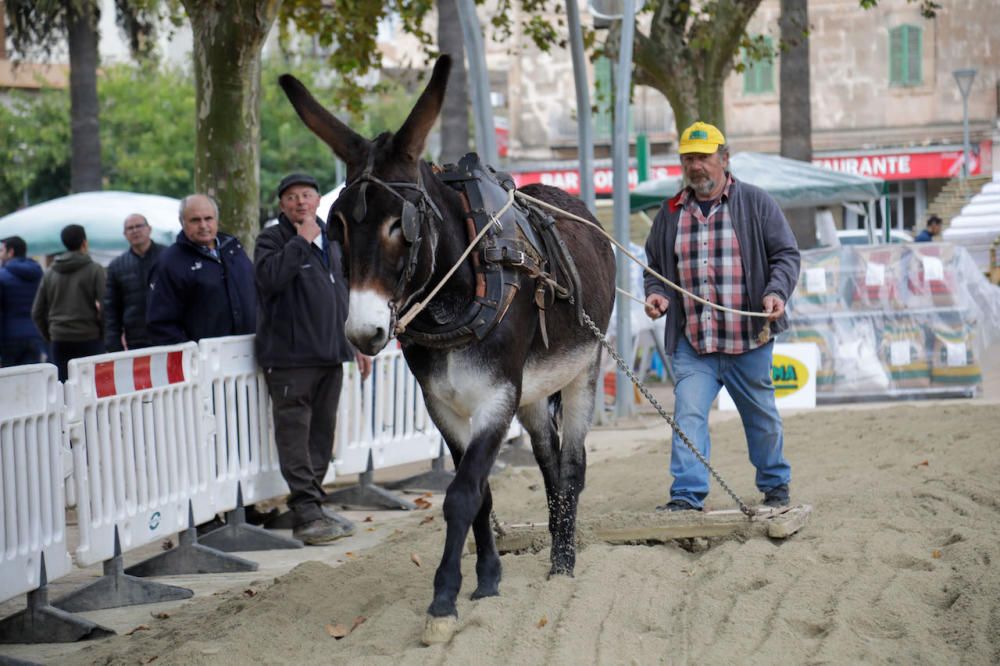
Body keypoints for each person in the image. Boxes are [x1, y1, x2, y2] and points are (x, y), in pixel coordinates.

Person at [643, 121, 801, 512]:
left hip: (748, 341)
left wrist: (776, 292)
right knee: (688, 417)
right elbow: (655, 269)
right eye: (689, 158)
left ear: (724, 159)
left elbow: (786, 255)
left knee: (762, 419)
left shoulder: (756, 203)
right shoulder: (669, 214)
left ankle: (775, 485)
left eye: (703, 157)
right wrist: (657, 295)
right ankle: (686, 496)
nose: (696, 166)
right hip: (694, 344)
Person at [255, 173, 373, 545]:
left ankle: (313, 506)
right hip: (290, 358)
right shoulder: (271, 239)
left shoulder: (334, 239)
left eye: (306, 195)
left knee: (322, 435)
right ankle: (306, 513)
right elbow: (269, 281)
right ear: (281, 205)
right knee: (296, 437)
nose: (300, 202)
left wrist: (355, 343)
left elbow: (341, 296)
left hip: (330, 354)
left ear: (318, 199)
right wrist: (299, 244)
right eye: (291, 197)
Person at [146, 194, 256, 344]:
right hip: (203, 360)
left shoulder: (234, 249)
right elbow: (160, 323)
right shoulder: (169, 262)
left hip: (248, 351)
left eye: (208, 218)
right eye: (195, 220)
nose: (203, 225)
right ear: (182, 222)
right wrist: (193, 355)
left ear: (216, 220)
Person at [31, 224, 107, 381]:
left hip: (59, 338)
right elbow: (106, 306)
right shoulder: (94, 269)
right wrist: (103, 333)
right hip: (89, 337)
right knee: (91, 386)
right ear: (84, 243)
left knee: (65, 387)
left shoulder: (50, 273)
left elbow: (37, 312)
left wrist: (50, 334)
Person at [104, 214, 165, 351]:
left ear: (149, 229)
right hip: (136, 339)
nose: (135, 231)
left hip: (168, 335)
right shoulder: (117, 266)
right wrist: (113, 343)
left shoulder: (168, 257)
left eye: (139, 226)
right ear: (125, 234)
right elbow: (111, 308)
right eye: (130, 228)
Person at [0, 236, 45, 366]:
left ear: (11, 252)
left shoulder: (2, 276)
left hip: (9, 337)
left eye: (2, 250)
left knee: (10, 380)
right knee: (31, 379)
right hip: (35, 334)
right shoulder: (38, 273)